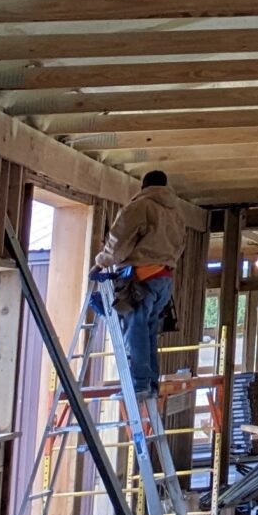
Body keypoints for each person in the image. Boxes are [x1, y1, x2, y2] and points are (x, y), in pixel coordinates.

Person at [94, 168, 188, 405]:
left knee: (134, 331)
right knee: (147, 333)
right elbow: (179, 246)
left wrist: (101, 262)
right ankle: (150, 384)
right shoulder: (176, 214)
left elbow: (118, 242)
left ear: (143, 186)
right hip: (164, 280)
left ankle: (139, 385)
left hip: (141, 279)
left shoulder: (140, 207)